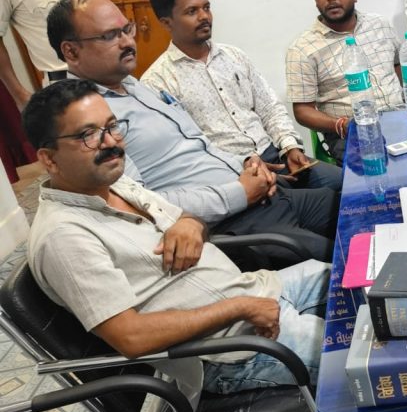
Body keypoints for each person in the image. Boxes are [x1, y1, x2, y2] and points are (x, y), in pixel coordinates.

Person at [22, 79, 327, 393]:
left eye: (112, 126)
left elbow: (188, 221)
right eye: (88, 135)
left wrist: (190, 225)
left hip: (258, 290)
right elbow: (131, 337)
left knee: (355, 278)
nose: (110, 142)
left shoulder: (115, 183)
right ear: (49, 158)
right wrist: (240, 308)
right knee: (354, 348)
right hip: (233, 351)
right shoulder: (63, 236)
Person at [48, 0, 339, 266]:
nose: (127, 42)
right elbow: (140, 201)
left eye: (127, 29)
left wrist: (247, 163)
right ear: (71, 52)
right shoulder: (88, 118)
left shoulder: (133, 87)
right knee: (345, 258)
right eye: (110, 35)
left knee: (356, 207)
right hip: (233, 225)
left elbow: (201, 145)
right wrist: (239, 192)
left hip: (263, 195)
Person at [142, 0, 342, 192]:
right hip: (232, 176)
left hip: (276, 155)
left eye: (206, 8)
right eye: (192, 11)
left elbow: (270, 108)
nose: (204, 16)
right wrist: (242, 164)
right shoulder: (157, 82)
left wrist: (290, 146)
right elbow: (183, 150)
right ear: (166, 23)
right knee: (319, 204)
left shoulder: (233, 56)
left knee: (347, 184)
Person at [287, 0, 403, 161]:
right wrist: (341, 125)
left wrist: (402, 100)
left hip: (399, 117)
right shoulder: (302, 49)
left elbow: (396, 65)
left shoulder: (380, 25)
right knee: (380, 170)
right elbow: (302, 110)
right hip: (351, 133)